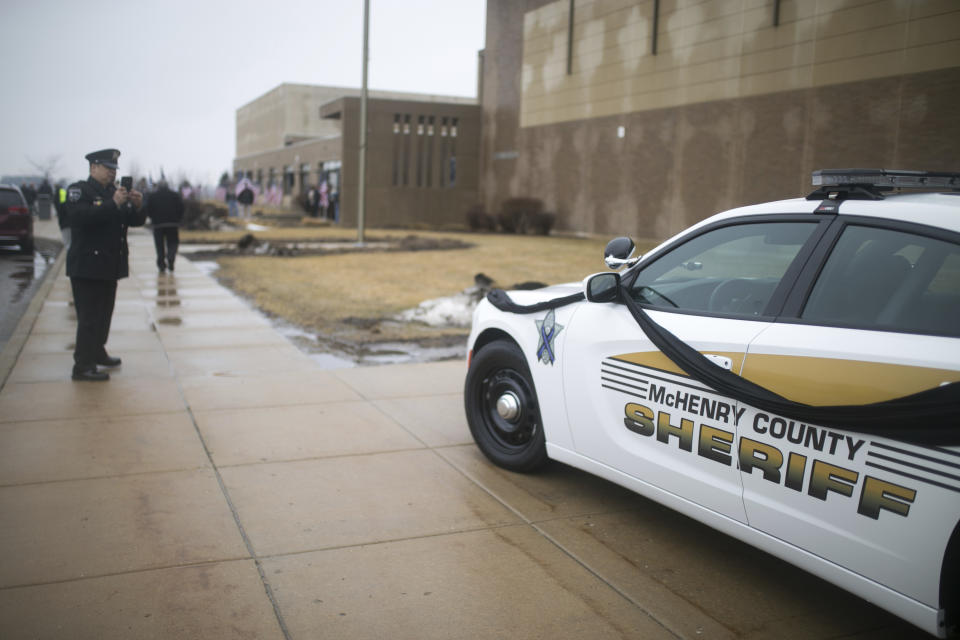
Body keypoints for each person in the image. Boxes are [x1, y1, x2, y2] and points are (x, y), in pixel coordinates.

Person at [64, 148, 145, 382]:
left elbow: (133, 221)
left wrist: (137, 206)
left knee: (104, 316)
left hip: (109, 265)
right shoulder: (80, 191)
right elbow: (80, 218)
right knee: (89, 317)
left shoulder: (114, 193)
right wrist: (112, 203)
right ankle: (82, 365)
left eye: (114, 169)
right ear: (93, 168)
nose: (112, 173)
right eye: (108, 169)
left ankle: (97, 352)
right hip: (87, 266)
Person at [145, 179, 185, 272]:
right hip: (172, 224)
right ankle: (171, 257)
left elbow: (148, 209)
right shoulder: (175, 195)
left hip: (158, 224)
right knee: (173, 243)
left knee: (159, 245)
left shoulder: (153, 196)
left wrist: (153, 218)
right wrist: (178, 219)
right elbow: (181, 208)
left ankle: (161, 263)